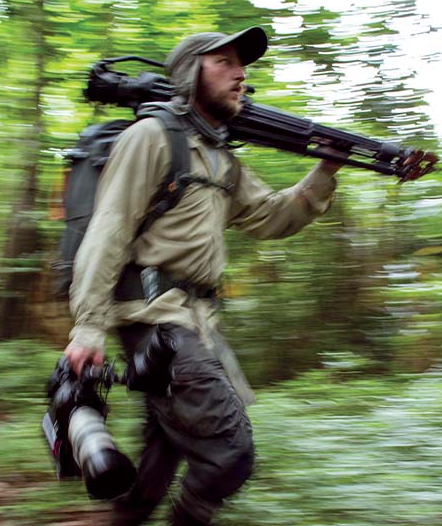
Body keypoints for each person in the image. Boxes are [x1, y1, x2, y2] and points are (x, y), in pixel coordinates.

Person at [64, 26, 341, 526]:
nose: (241, 75)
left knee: (157, 461)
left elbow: (271, 217)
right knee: (230, 453)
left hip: (196, 324)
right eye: (226, 63)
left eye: (243, 66)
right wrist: (87, 326)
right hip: (155, 320)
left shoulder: (220, 158)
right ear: (192, 73)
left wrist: (324, 171)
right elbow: (108, 229)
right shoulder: (150, 137)